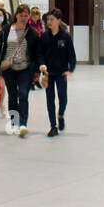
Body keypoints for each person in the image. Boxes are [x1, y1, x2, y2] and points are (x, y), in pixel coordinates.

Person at [0, 3, 40, 138]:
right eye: (21, 15)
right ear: (16, 15)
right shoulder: (6, 29)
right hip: (9, 69)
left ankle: (23, 124)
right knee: (13, 96)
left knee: (23, 94)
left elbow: (37, 52)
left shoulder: (32, 32)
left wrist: (38, 70)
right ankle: (14, 123)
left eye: (26, 16)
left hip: (25, 69)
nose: (24, 18)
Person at [39, 7, 77, 137]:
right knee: (50, 99)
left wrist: (70, 70)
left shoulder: (65, 37)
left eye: (52, 19)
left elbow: (72, 55)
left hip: (61, 73)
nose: (49, 22)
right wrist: (42, 64)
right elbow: (40, 54)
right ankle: (53, 126)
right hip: (48, 74)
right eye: (48, 19)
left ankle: (60, 114)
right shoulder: (44, 37)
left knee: (63, 97)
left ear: (58, 20)